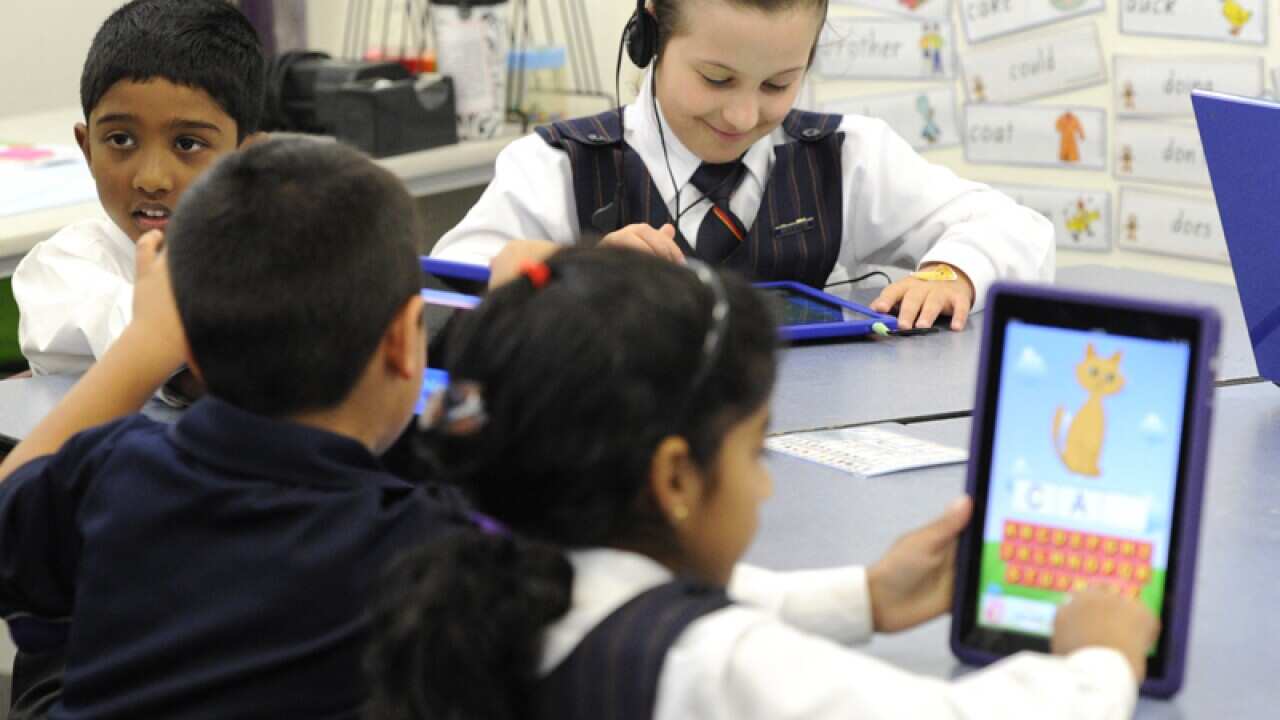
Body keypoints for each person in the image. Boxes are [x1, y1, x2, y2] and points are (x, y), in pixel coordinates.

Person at [365, 248, 1159, 719]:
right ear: (676, 477)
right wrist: (1099, 663)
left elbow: (631, 599)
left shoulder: (485, 575)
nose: (767, 490)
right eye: (756, 453)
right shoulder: (717, 669)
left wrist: (868, 597)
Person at [0, 139, 461, 719]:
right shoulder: (430, 548)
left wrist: (143, 343)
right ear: (404, 338)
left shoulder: (109, 474)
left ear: (186, 347)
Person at [430, 0, 1054, 331]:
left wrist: (951, 273)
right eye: (716, 77)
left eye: (780, 83)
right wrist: (575, 274)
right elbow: (445, 293)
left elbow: (1015, 226)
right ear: (650, 36)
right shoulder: (559, 165)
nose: (742, 114)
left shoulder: (847, 156)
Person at [13, 0, 265, 381]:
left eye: (187, 145)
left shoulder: (264, 250)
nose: (151, 179)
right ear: (87, 149)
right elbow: (148, 337)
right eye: (120, 139)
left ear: (245, 161)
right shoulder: (61, 269)